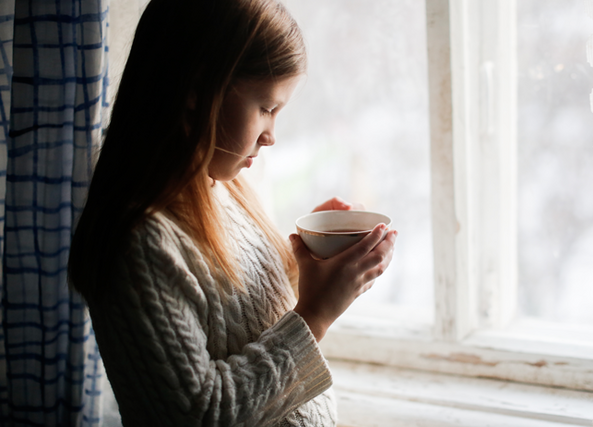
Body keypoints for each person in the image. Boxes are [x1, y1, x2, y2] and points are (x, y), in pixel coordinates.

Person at [67, 0, 398, 425]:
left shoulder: (224, 184)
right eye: (266, 108)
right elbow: (199, 415)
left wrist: (311, 258)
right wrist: (315, 315)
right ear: (196, 93)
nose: (271, 136)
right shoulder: (138, 244)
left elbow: (234, 313)